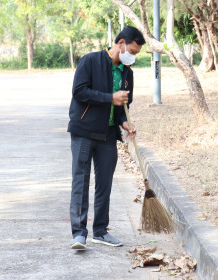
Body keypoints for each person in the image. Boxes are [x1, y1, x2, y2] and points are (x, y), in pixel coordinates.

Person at [68, 26, 146, 250]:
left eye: (136, 53)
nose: (133, 56)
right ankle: (79, 234)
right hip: (83, 131)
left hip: (108, 134)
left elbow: (123, 106)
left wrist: (125, 122)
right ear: (121, 43)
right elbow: (79, 92)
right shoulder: (90, 61)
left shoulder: (127, 73)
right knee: (80, 183)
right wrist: (109, 98)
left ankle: (100, 231)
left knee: (105, 184)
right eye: (132, 50)